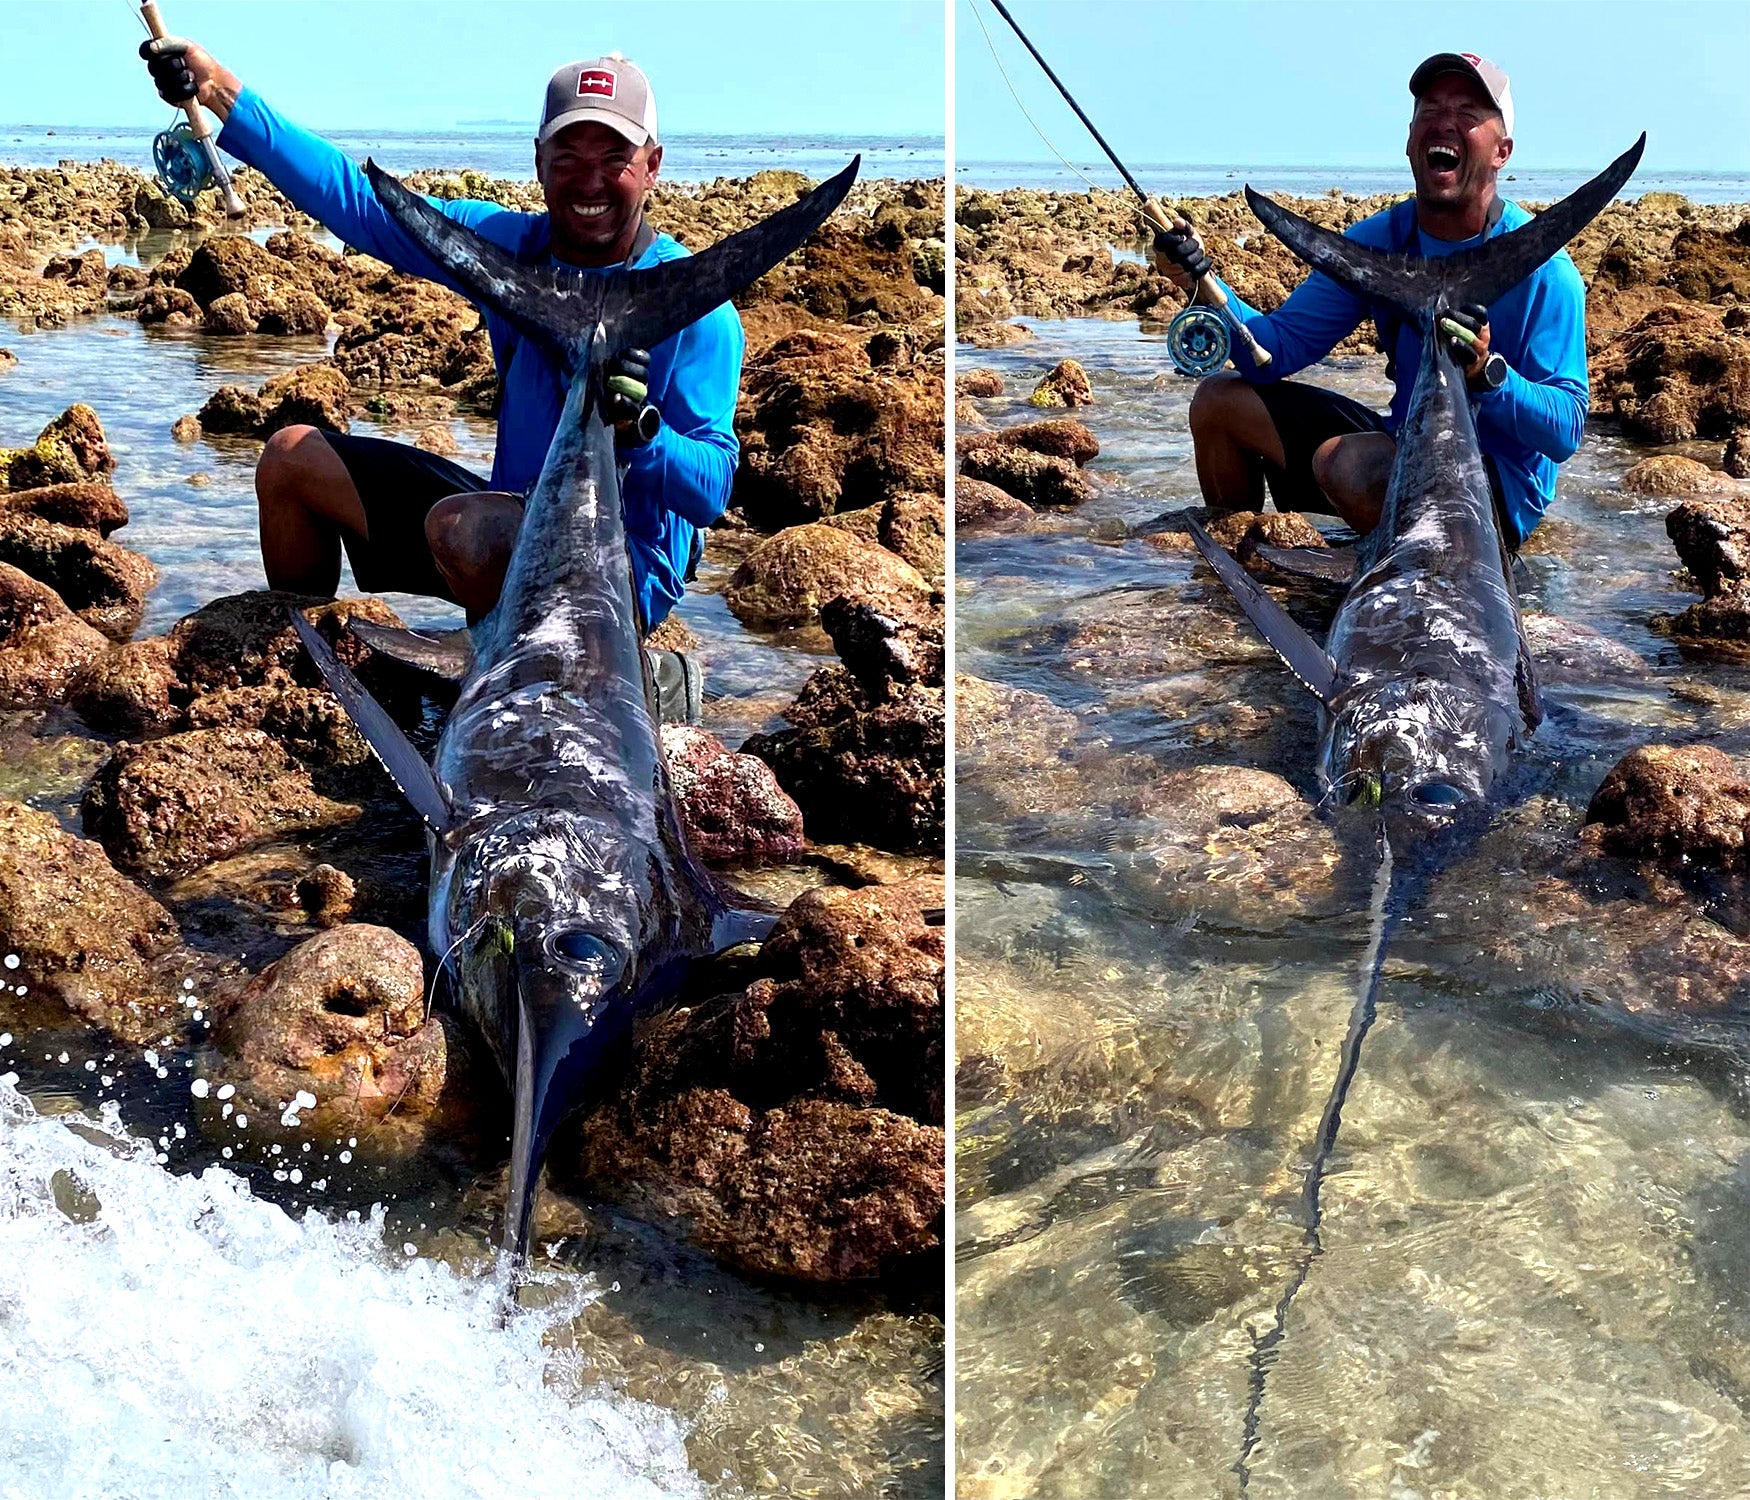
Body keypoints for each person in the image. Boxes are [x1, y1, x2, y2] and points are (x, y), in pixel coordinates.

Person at [140, 39, 738, 671]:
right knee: (291, 459)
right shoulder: (510, 253)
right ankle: (303, 669)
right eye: (568, 155)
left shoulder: (696, 310)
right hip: (505, 522)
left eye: (614, 156)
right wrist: (219, 92)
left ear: (653, 164)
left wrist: (641, 436)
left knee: (464, 529)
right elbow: (361, 204)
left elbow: (710, 493)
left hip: (616, 575)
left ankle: (623, 674)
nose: (589, 179)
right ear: (539, 162)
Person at [1154, 53, 1587, 550]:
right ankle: (1233, 567)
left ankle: (1411, 571)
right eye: (1429, 109)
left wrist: (1486, 373)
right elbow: (1274, 350)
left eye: (1468, 113)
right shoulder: (1379, 243)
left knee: (1350, 465)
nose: (1444, 121)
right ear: (1408, 140)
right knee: (1219, 402)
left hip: (1492, 498)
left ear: (1501, 151)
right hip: (1402, 443)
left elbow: (1566, 430)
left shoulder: (1547, 273)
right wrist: (1201, 279)